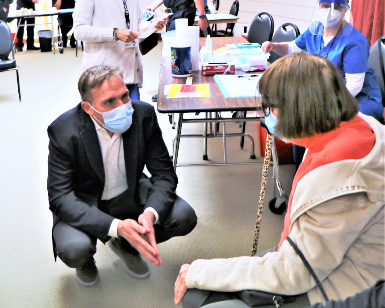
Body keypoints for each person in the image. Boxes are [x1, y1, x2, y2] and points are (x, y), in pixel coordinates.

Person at [174, 52, 385, 308]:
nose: (267, 115)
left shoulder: (338, 174)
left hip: (342, 287)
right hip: (319, 258)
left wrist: (200, 271)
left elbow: (292, 273)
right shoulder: (354, 127)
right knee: (201, 292)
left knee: (199, 298)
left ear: (297, 110)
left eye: (270, 107)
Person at [47, 65, 197, 287]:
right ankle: (87, 260)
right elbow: (60, 197)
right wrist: (116, 226)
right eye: (109, 102)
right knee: (74, 249)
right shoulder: (63, 130)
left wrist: (150, 214)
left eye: (125, 96)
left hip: (130, 194)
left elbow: (164, 173)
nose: (122, 106)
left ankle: (126, 244)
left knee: (184, 217)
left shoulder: (143, 115)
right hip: (84, 202)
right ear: (88, 108)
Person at [261, 0, 383, 121]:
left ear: (345, 10)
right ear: (319, 6)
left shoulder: (355, 41)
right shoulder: (315, 30)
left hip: (357, 100)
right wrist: (275, 46)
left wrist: (320, 102)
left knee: (312, 119)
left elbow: (354, 87)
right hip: (326, 95)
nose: (329, 11)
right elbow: (292, 48)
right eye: (325, 6)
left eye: (335, 7)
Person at [73, 0, 167, 100]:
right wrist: (114, 33)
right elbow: (79, 30)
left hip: (130, 70)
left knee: (132, 113)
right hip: (103, 76)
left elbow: (138, 22)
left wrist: (151, 26)